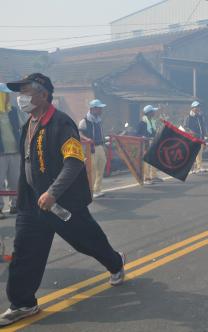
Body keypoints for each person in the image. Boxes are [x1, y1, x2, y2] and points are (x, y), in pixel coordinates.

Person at [0, 74, 125, 327]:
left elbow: (74, 162)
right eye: (19, 93)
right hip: (32, 205)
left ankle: (116, 262)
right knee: (25, 252)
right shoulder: (29, 123)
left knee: (88, 241)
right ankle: (23, 303)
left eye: (25, 92)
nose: (20, 98)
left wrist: (53, 192)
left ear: (43, 95)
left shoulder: (61, 123)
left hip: (62, 203)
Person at [0, 83, 21, 219]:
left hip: (15, 152)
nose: (8, 97)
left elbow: (19, 128)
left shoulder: (13, 110)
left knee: (15, 180)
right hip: (1, 154)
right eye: (4, 94)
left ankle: (15, 205)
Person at [78, 99, 107, 198]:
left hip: (99, 146)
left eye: (101, 108)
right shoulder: (84, 121)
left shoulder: (99, 120)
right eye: (99, 108)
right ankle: (89, 190)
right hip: (89, 148)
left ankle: (97, 190)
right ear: (93, 109)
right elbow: (80, 134)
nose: (101, 111)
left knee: (101, 168)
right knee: (92, 169)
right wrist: (87, 139)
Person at [137, 105, 162, 184]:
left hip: (152, 143)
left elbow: (153, 133)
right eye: (153, 111)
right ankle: (146, 178)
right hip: (145, 144)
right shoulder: (142, 122)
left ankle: (154, 176)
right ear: (149, 113)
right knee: (147, 161)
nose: (154, 113)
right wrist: (143, 137)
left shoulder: (152, 121)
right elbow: (137, 134)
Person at [184, 101, 206, 173]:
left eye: (198, 107)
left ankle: (199, 167)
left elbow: (202, 126)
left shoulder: (200, 116)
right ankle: (191, 168)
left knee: (199, 153)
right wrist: (191, 132)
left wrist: (204, 136)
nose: (197, 108)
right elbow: (185, 127)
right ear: (192, 108)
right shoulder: (188, 117)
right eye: (196, 107)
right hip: (192, 138)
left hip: (200, 137)